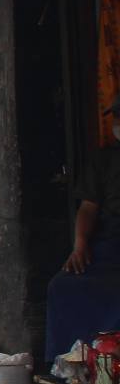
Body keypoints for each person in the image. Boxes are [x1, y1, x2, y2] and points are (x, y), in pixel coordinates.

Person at [45, 97, 120, 363]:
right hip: (110, 244)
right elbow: (88, 208)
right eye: (117, 118)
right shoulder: (104, 161)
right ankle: (71, 362)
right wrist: (80, 245)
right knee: (62, 287)